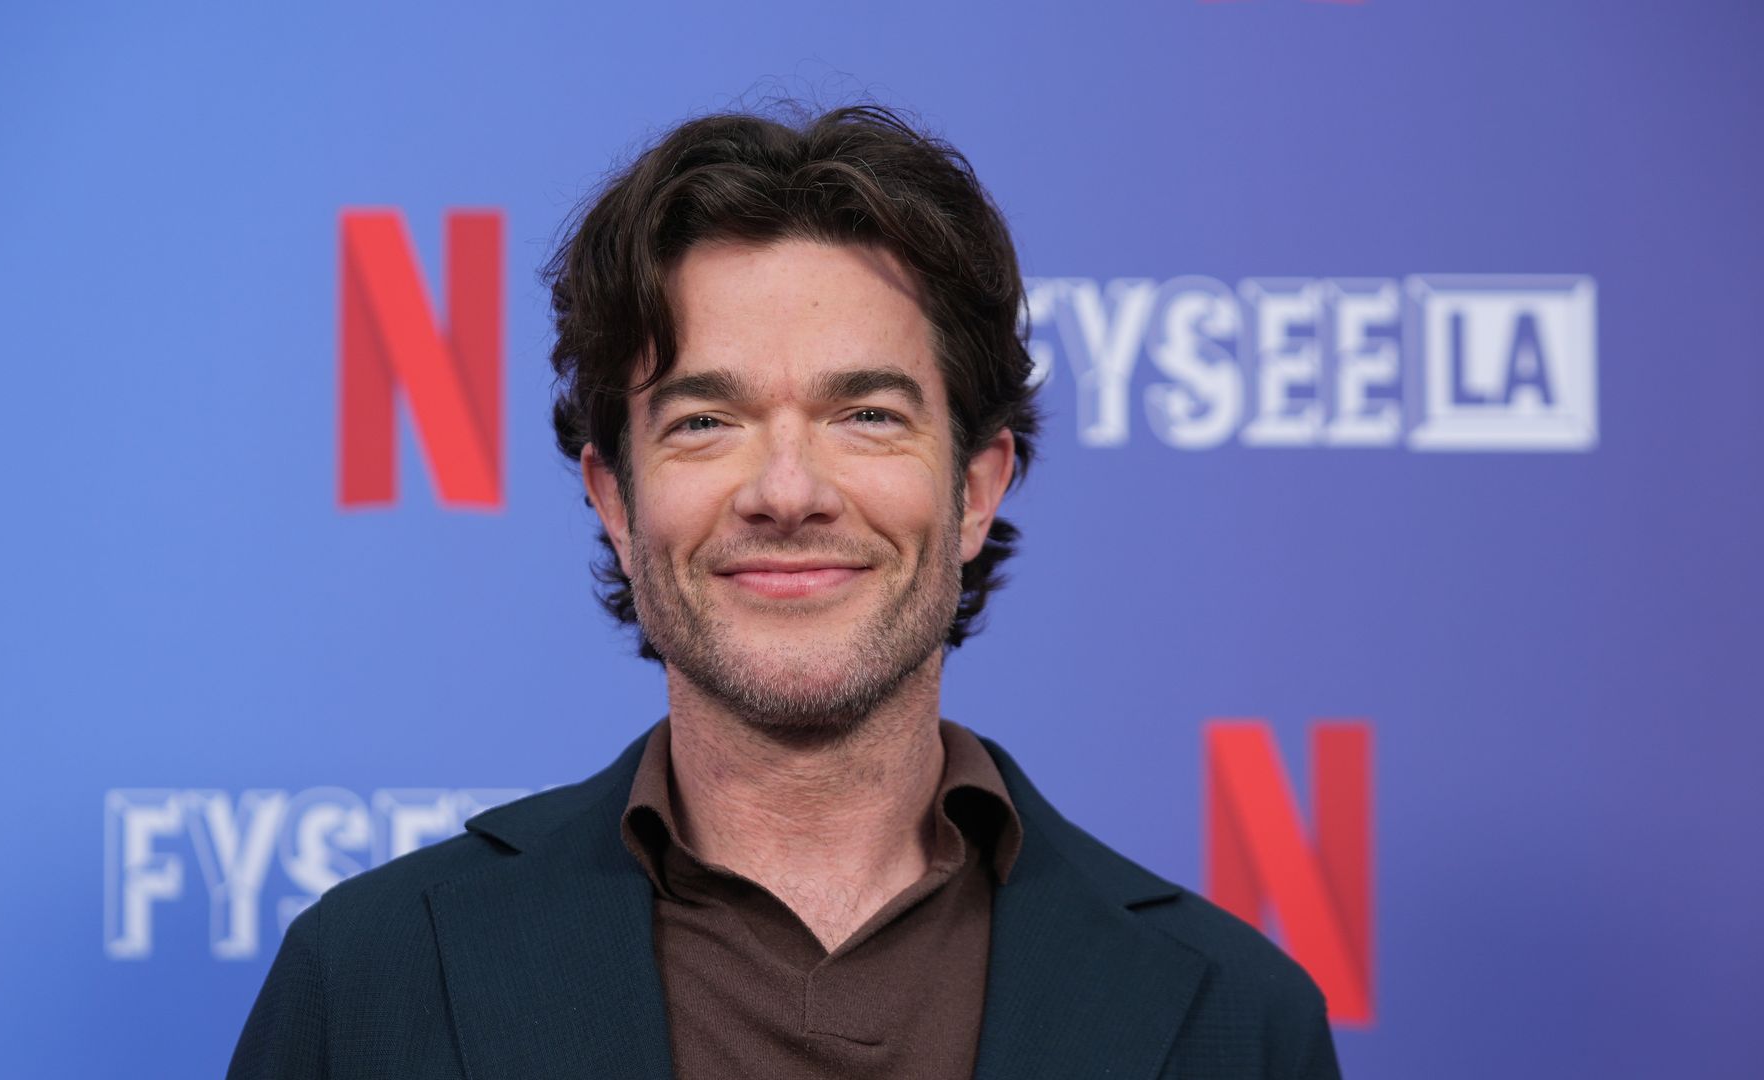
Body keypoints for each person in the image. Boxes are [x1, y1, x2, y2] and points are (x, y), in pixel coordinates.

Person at [228, 104, 1341, 1080]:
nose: (788, 491)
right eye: (706, 422)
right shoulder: (372, 978)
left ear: (976, 487)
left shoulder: (1235, 1019)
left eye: (867, 416)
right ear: (615, 499)